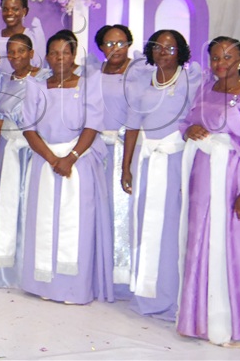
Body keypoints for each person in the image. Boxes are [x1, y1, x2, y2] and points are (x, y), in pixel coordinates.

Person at [179, 36, 240, 346]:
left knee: (233, 249)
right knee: (201, 245)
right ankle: (199, 318)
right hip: (203, 180)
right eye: (216, 58)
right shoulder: (206, 89)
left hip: (235, 179)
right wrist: (189, 130)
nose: (221, 63)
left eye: (228, 57)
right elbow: (188, 122)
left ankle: (232, 320)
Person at [19, 30, 113, 305]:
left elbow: (92, 125)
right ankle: (43, 284)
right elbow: (28, 127)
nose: (59, 58)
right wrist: (52, 158)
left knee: (78, 225)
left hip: (79, 163)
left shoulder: (87, 84)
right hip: (45, 161)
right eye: (54, 53)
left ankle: (74, 288)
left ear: (74, 55)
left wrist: (70, 157)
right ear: (46, 56)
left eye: (65, 53)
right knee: (44, 221)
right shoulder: (36, 86)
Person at [119, 29, 200, 320]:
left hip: (176, 162)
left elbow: (200, 117)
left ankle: (173, 295)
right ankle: (147, 292)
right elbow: (131, 127)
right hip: (147, 163)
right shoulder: (143, 83)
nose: (162, 52)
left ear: (180, 52)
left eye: (169, 48)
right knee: (145, 226)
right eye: (157, 48)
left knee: (172, 229)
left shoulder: (192, 81)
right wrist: (125, 165)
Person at [0, 33, 47, 288]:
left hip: (34, 149)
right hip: (8, 150)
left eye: (22, 51)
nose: (17, 56)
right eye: (12, 52)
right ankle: (8, 268)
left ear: (31, 53)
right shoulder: (5, 82)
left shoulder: (44, 78)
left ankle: (31, 267)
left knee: (31, 205)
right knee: (9, 204)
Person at [92, 23, 140, 294]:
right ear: (100, 47)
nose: (116, 48)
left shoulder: (139, 72)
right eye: (109, 44)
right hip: (98, 148)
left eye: (121, 42)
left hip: (125, 148)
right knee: (99, 209)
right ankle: (99, 271)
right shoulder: (94, 72)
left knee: (122, 212)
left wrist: (126, 165)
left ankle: (122, 277)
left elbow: (135, 119)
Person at [0, 0, 46, 73]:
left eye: (15, 9)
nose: (9, 13)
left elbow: (38, 67)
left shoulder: (33, 37)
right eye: (5, 9)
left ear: (24, 11)